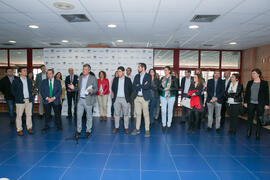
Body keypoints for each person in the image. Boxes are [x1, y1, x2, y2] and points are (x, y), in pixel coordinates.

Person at [69, 64, 98, 138]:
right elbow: (78, 89)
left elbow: (96, 89)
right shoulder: (80, 77)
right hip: (80, 100)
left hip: (88, 100)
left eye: (85, 69)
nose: (83, 70)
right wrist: (73, 88)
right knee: (78, 116)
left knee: (89, 116)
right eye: (83, 69)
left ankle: (88, 130)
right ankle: (78, 130)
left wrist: (91, 91)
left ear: (89, 70)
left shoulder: (93, 78)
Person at [244, 68, 269, 140]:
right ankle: (249, 132)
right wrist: (245, 102)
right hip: (251, 103)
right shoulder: (250, 82)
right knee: (250, 118)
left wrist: (267, 104)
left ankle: (258, 134)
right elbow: (247, 94)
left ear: (258, 74)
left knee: (259, 119)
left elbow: (266, 94)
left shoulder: (264, 83)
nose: (252, 75)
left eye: (254, 73)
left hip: (260, 104)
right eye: (252, 73)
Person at [11, 67, 34, 136]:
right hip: (20, 101)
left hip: (29, 100)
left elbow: (33, 89)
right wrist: (18, 98)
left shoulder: (29, 80)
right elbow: (12, 91)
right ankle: (19, 129)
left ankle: (29, 128)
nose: (26, 71)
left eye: (26, 70)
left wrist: (32, 96)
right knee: (19, 115)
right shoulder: (16, 81)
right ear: (19, 73)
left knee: (29, 115)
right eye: (24, 71)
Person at [131, 63, 151, 137]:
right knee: (138, 114)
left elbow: (147, 86)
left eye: (139, 67)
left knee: (146, 114)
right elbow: (134, 86)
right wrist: (142, 85)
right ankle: (137, 129)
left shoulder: (148, 76)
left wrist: (138, 85)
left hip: (144, 97)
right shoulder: (136, 76)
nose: (137, 68)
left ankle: (147, 130)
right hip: (137, 97)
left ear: (143, 68)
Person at [111, 66, 132, 134]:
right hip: (117, 99)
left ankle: (126, 128)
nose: (118, 73)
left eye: (119, 71)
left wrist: (127, 97)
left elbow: (131, 89)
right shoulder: (115, 79)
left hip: (125, 99)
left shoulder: (128, 80)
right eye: (117, 71)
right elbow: (113, 88)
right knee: (116, 114)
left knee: (125, 114)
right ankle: (116, 127)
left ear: (123, 72)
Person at [159, 66, 178, 130]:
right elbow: (159, 87)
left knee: (170, 111)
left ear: (169, 71)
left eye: (166, 70)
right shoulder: (162, 78)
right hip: (163, 96)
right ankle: (164, 124)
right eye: (164, 70)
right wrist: (163, 89)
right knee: (163, 111)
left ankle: (169, 124)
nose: (165, 71)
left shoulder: (174, 78)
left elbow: (176, 87)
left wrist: (169, 89)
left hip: (171, 96)